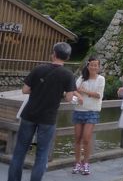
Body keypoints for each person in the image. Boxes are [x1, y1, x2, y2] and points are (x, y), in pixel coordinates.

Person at [8, 42, 78, 181]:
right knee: (41, 155)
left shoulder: (39, 69)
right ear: (67, 57)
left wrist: (39, 89)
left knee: (20, 152)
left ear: (53, 53)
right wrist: (60, 93)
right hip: (48, 118)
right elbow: (70, 98)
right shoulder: (68, 74)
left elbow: (25, 90)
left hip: (29, 115)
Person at [72, 57, 105, 175]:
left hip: (92, 111)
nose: (93, 67)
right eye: (91, 65)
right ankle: (77, 163)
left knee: (86, 138)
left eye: (96, 65)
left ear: (98, 67)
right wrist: (79, 95)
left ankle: (86, 163)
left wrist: (84, 92)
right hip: (78, 110)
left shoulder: (101, 79)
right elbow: (73, 90)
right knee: (77, 138)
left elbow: (98, 95)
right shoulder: (81, 78)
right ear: (88, 66)